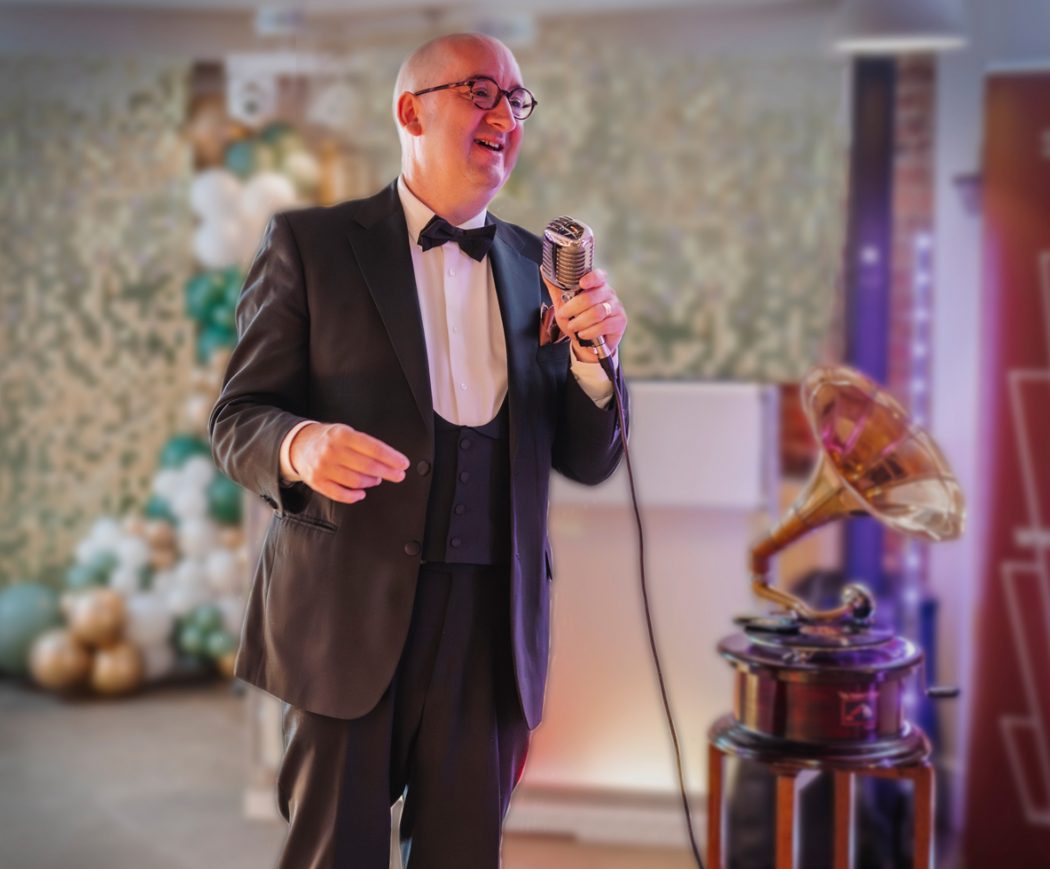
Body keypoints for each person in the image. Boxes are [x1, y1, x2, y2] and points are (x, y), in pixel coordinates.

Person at [210, 32, 629, 869]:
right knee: (338, 854)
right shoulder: (312, 244)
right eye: (482, 91)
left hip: (491, 631)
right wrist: (299, 443)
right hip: (345, 616)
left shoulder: (538, 267)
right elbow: (238, 416)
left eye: (518, 100)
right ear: (411, 110)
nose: (505, 114)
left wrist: (594, 360)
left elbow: (589, 459)